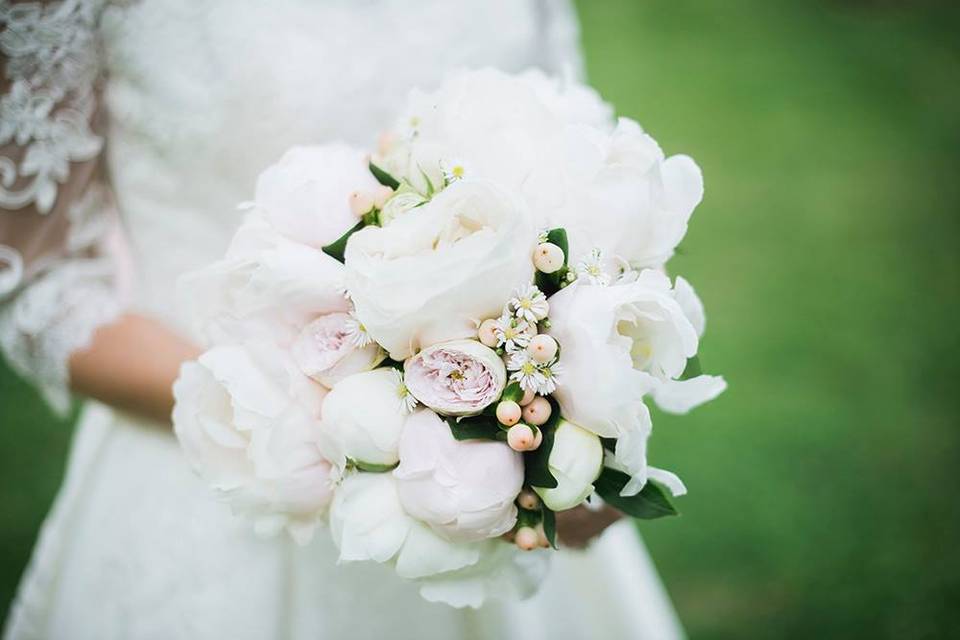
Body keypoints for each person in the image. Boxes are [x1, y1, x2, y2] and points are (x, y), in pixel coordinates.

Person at [0, 1, 685, 637]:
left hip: (501, 487)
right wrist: (351, 426)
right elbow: (37, 284)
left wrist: (576, 420)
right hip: (215, 467)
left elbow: (571, 162)